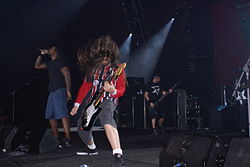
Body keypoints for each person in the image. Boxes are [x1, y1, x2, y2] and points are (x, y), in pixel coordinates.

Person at [70, 36, 126, 167]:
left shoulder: (117, 68)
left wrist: (112, 90)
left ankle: (118, 156)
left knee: (106, 119)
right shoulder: (94, 69)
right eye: (102, 56)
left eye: (107, 56)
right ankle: (91, 148)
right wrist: (76, 104)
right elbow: (85, 86)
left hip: (109, 100)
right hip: (93, 100)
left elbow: (121, 89)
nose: (104, 59)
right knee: (81, 126)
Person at [34, 45, 72, 148]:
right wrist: (40, 55)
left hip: (60, 89)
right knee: (50, 115)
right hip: (52, 90)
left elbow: (67, 75)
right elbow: (37, 66)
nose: (49, 50)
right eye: (49, 49)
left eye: (52, 48)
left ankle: (68, 138)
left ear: (56, 51)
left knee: (63, 114)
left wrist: (68, 90)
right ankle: (56, 138)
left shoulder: (60, 61)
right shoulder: (50, 63)